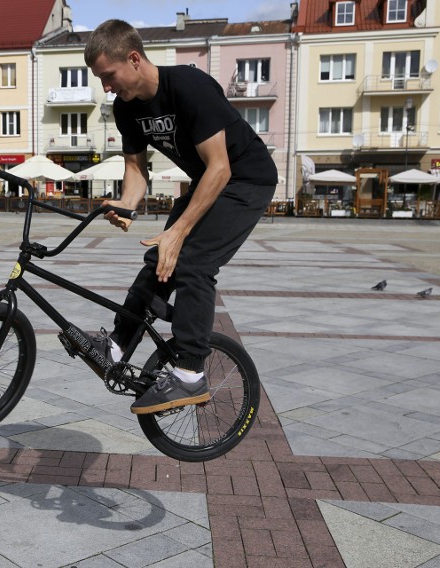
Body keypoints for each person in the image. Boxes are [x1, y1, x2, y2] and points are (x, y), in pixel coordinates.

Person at [84, 19, 278, 415]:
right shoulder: (126, 109)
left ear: (134, 59)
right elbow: (137, 171)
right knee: (159, 259)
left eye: (109, 76)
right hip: (210, 181)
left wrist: (179, 231)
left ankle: (190, 372)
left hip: (247, 180)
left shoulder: (189, 87)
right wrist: (126, 205)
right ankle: (118, 344)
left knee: (192, 262)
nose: (106, 87)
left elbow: (220, 168)